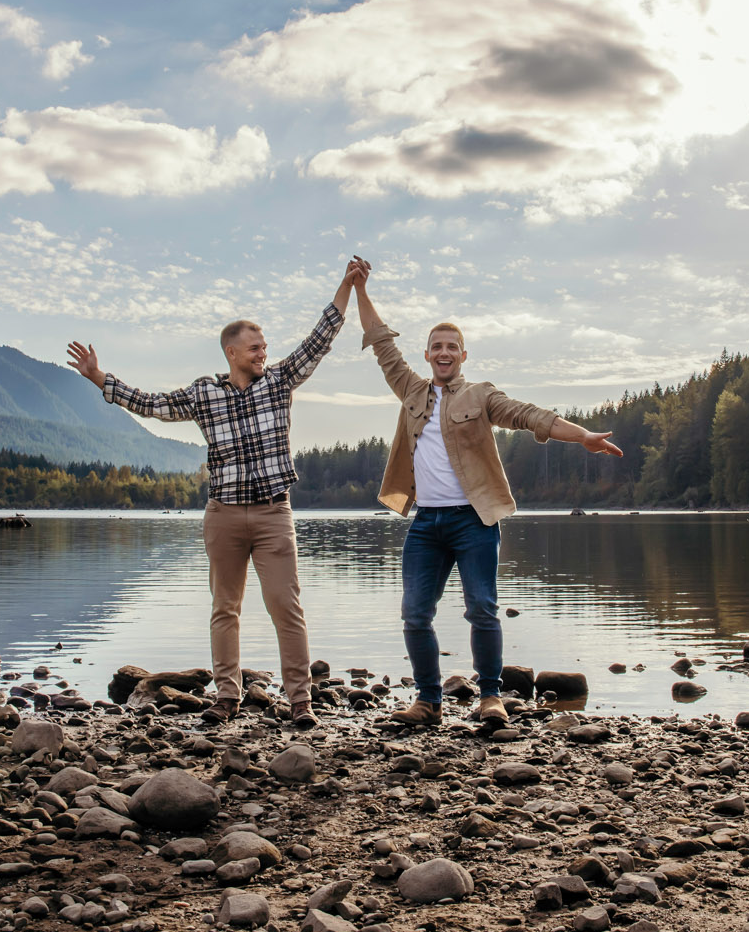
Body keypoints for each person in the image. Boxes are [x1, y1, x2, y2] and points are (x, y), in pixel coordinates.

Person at [65, 259, 366, 729]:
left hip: (273, 516)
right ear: (231, 351)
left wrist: (346, 285)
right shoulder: (205, 394)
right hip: (223, 515)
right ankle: (227, 696)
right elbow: (152, 405)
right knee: (225, 608)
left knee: (287, 607)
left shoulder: (280, 382)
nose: (263, 352)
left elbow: (320, 340)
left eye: (264, 346)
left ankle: (301, 700)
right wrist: (98, 378)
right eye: (254, 347)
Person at [350, 265, 623, 728]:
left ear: (462, 355)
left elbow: (530, 415)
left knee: (482, 609)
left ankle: (491, 697)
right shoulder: (411, 390)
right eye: (436, 346)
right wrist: (359, 288)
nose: (443, 352)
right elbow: (380, 341)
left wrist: (581, 437)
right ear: (427, 353)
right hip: (425, 525)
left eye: (451, 346)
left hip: (474, 521)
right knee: (414, 613)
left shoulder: (481, 394)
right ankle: (428, 700)